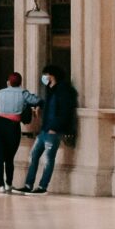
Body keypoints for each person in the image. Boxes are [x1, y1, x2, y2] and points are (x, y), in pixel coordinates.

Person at [25, 64, 73, 193]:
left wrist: (55, 127)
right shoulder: (50, 90)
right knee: (34, 155)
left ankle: (42, 186)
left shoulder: (63, 90)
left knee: (48, 159)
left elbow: (64, 111)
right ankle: (28, 185)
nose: (44, 77)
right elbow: (48, 106)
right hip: (44, 130)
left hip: (53, 131)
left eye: (45, 75)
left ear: (51, 76)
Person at [0, 70, 31, 192]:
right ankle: (8, 184)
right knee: (9, 158)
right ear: (20, 82)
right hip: (12, 126)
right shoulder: (23, 93)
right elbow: (35, 101)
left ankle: (1, 186)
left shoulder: (1, 92)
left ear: (9, 82)